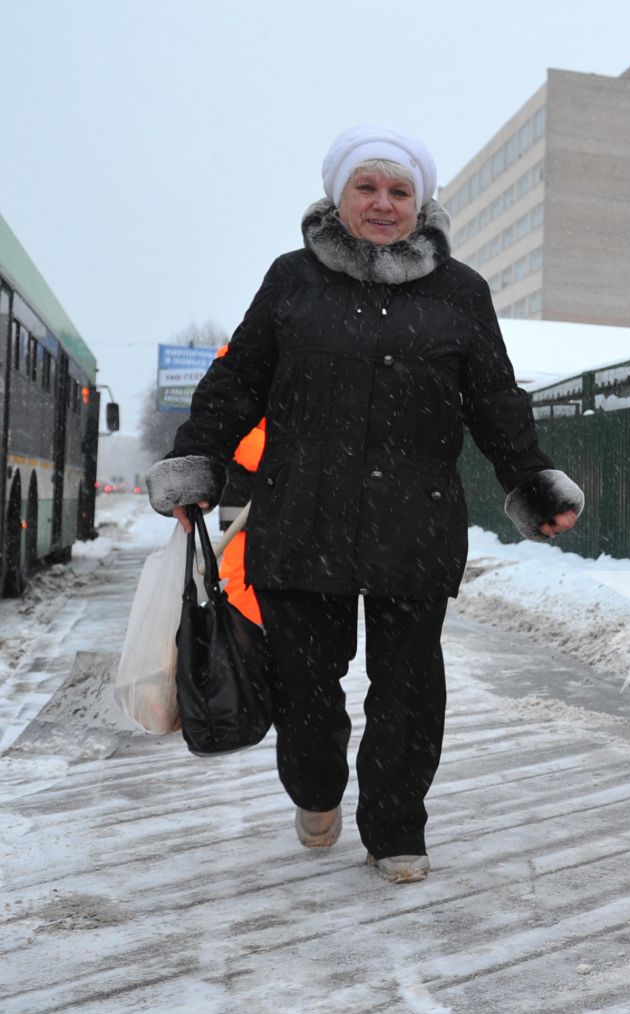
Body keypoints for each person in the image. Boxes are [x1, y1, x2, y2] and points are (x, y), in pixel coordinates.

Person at [147, 124, 584, 884]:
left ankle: (395, 828)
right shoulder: (292, 281)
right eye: (367, 188)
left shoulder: (461, 293)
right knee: (306, 688)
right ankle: (315, 789)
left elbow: (494, 403)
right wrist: (199, 461)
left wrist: (532, 478)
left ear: (421, 202)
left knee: (409, 691)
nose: (384, 204)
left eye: (399, 190)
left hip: (415, 525)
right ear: (338, 195)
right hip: (301, 518)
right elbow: (237, 382)